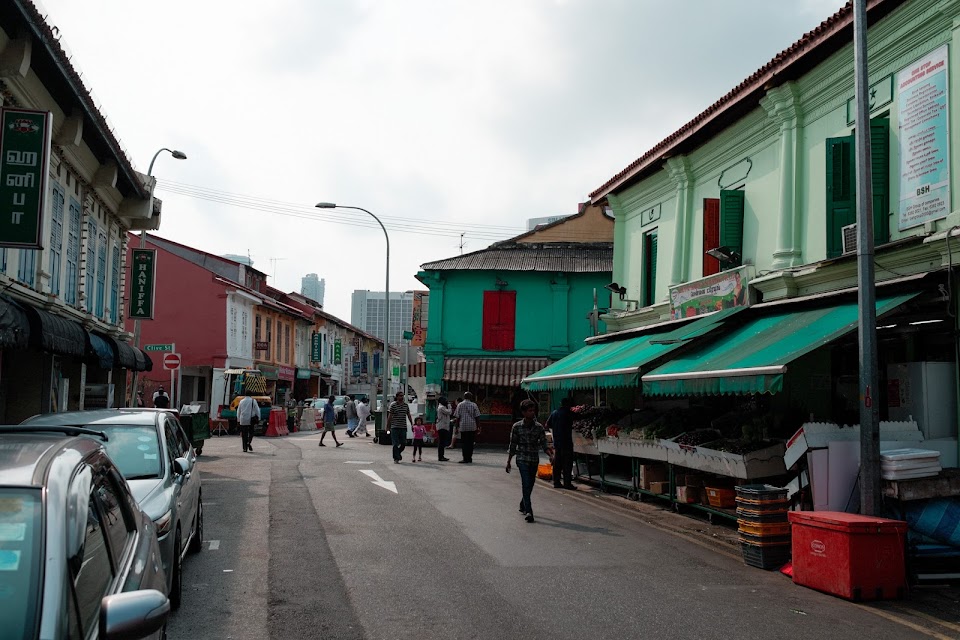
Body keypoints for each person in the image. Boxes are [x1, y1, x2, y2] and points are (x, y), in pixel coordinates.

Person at [506, 399, 554, 523]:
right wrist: (509, 461)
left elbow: (544, 443)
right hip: (522, 459)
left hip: (533, 459)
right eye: (529, 411)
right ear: (523, 412)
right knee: (526, 483)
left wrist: (550, 455)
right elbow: (513, 445)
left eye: (533, 410)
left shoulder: (539, 427)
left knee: (530, 484)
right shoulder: (516, 427)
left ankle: (523, 503)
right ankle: (529, 511)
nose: (532, 413)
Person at [546, 397, 575, 489]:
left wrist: (556, 428)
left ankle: (556, 482)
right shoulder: (568, 413)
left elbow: (547, 424)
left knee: (557, 463)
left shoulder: (554, 413)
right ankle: (567, 483)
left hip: (557, 442)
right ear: (568, 404)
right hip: (566, 442)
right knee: (567, 463)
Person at [453, 391, 481, 463]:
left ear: (464, 397)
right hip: (472, 426)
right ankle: (469, 458)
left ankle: (465, 458)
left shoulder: (460, 405)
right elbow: (477, 417)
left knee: (464, 443)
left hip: (463, 426)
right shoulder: (474, 405)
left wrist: (456, 427)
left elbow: (457, 418)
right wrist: (478, 427)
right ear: (470, 397)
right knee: (470, 443)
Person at [388, 391, 412, 463]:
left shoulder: (405, 405)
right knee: (395, 444)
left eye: (402, 396)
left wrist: (412, 424)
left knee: (403, 443)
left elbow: (408, 415)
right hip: (395, 427)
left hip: (403, 427)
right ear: (397, 397)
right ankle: (396, 458)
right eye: (400, 396)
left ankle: (397, 453)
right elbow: (390, 417)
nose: (402, 397)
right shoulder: (393, 405)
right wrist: (387, 427)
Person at [435, 397, 452, 462]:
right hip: (442, 426)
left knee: (442, 442)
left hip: (443, 426)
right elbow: (449, 412)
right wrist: (450, 406)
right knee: (441, 442)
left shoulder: (442, 407)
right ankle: (441, 456)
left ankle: (442, 456)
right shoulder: (441, 408)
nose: (446, 401)